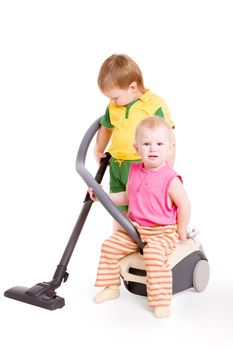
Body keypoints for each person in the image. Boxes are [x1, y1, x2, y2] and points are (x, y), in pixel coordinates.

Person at [89, 116, 191, 318]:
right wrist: (102, 196)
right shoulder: (134, 171)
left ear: (170, 148)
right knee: (109, 246)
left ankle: (161, 301)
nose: (153, 149)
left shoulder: (170, 178)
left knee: (153, 255)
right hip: (135, 228)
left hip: (162, 231)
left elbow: (184, 205)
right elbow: (128, 196)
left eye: (159, 144)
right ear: (137, 148)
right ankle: (111, 287)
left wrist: (181, 230)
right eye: (146, 144)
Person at [94, 54, 176, 223]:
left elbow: (168, 138)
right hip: (117, 165)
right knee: (118, 210)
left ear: (132, 87)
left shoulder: (153, 104)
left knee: (139, 208)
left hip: (141, 165)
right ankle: (120, 242)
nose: (112, 101)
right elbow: (106, 127)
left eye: (115, 97)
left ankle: (145, 241)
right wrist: (99, 149)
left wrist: (167, 171)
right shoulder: (114, 107)